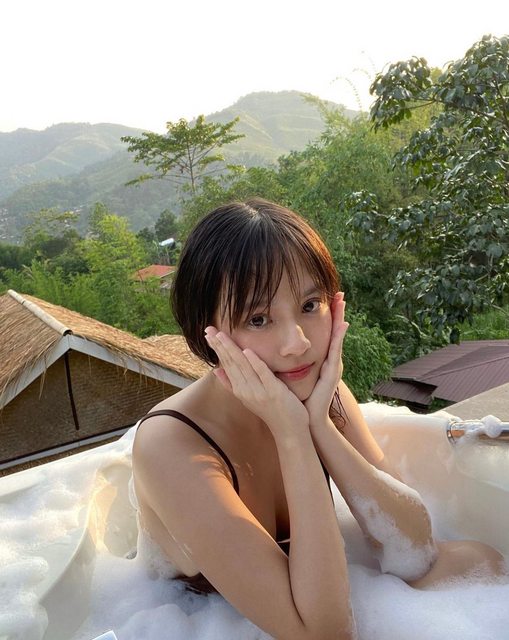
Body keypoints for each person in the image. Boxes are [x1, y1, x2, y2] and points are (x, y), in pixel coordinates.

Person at [132, 199, 504, 640]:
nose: (297, 343)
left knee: (482, 561)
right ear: (207, 332)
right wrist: (292, 434)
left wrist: (320, 426)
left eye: (310, 305)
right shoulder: (171, 445)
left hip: (323, 593)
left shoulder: (317, 390)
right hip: (211, 622)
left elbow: (416, 550)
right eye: (258, 319)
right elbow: (325, 634)